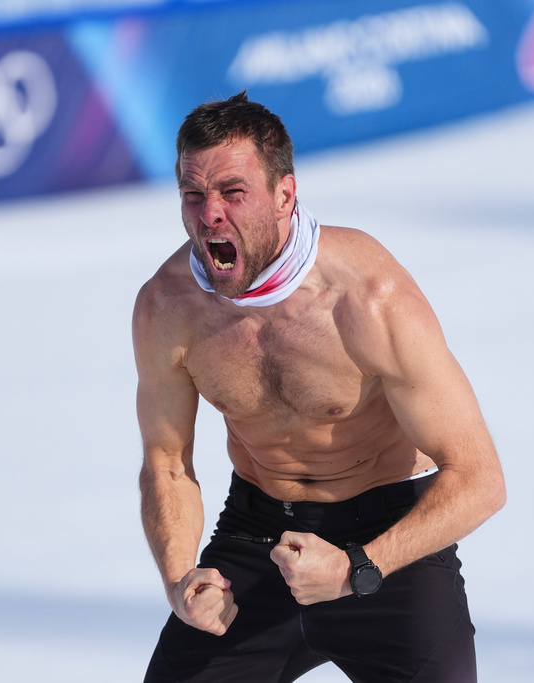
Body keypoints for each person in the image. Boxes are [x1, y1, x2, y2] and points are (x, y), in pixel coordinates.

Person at [133, 91, 506, 683]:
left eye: (233, 192)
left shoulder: (368, 299)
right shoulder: (168, 307)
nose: (210, 216)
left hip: (387, 539)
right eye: (193, 195)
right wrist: (182, 579)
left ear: (285, 195)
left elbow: (480, 479)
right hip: (257, 534)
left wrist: (358, 567)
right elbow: (167, 462)